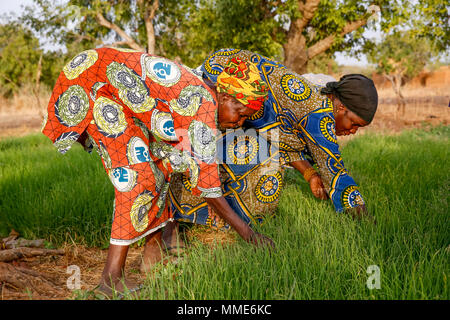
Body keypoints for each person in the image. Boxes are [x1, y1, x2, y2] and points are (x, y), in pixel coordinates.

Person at [41, 47, 273, 296]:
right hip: (94, 84)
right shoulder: (204, 106)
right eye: (240, 115)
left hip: (106, 83)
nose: (238, 123)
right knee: (136, 179)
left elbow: (180, 157)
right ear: (226, 97)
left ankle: (153, 258)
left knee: (160, 167)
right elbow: (208, 185)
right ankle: (110, 280)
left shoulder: (205, 94)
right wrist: (248, 234)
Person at [167, 48, 378, 237]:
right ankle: (172, 222)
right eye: (353, 123)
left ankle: (204, 217)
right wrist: (367, 221)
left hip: (225, 71)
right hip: (223, 75)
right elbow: (335, 171)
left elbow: (280, 138)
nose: (352, 131)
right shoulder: (319, 113)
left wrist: (310, 174)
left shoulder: (314, 99)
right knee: (197, 151)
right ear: (341, 107)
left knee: (253, 157)